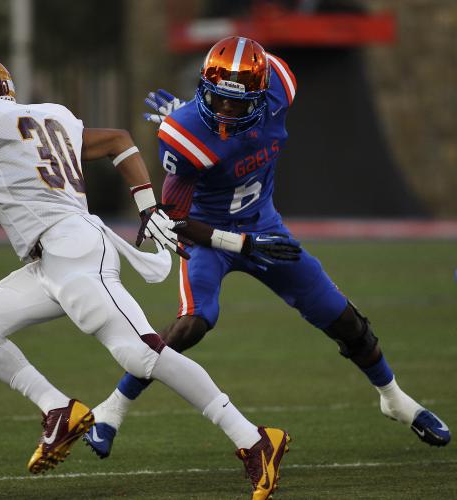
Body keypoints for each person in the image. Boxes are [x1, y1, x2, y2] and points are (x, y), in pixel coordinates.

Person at [0, 55, 290, 499]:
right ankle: (58, 409)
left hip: (71, 249)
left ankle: (254, 439)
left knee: (142, 354)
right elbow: (118, 142)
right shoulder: (41, 118)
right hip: (51, 260)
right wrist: (146, 203)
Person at [84, 36, 451, 459]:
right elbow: (175, 219)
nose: (223, 114)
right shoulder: (185, 136)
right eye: (215, 101)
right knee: (194, 323)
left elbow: (240, 99)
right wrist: (237, 242)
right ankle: (112, 409)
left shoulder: (279, 84)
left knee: (342, 318)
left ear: (262, 97)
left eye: (236, 105)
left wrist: (254, 237)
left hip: (264, 226)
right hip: (210, 235)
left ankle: (395, 399)